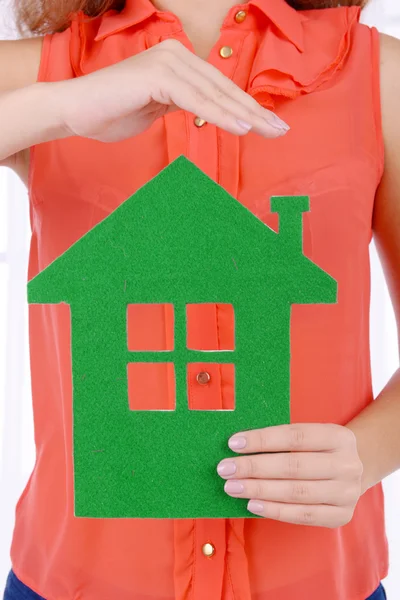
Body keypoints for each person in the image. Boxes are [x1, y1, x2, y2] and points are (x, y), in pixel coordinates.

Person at [0, 0, 399, 598]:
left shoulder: (380, 77)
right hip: (72, 581)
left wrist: (369, 454)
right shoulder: (37, 73)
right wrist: (56, 107)